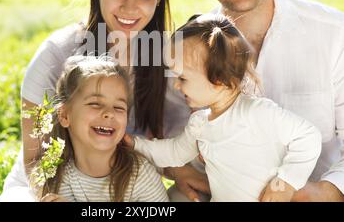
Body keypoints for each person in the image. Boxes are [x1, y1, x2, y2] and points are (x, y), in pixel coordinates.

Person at [170, 0, 344, 202]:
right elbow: (166, 135)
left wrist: (325, 191)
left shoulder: (334, 32)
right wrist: (176, 170)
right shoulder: (188, 47)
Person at [0, 0, 191, 201]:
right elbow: (35, 158)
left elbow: (184, 140)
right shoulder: (56, 54)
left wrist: (178, 170)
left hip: (127, 186)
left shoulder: (170, 59)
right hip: (53, 183)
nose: (130, 7)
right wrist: (50, 196)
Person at [126, 14, 322, 202]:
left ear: (218, 79)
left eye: (182, 78)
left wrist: (285, 182)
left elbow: (308, 137)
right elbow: (174, 152)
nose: (176, 85)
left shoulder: (257, 112)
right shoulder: (199, 124)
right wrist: (135, 144)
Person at [30, 55, 169, 202]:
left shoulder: (140, 175)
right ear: (65, 115)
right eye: (95, 104)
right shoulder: (57, 175)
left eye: (119, 107)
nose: (109, 113)